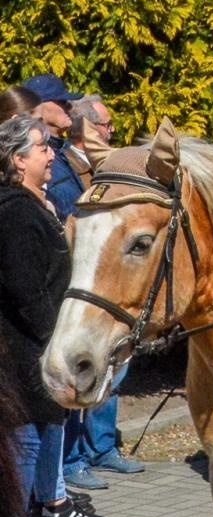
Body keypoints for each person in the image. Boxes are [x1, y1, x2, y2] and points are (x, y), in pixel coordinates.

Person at [1, 116, 104, 517]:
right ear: (17, 159)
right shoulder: (15, 212)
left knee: (41, 433)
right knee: (24, 437)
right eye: (42, 147)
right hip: (26, 346)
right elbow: (25, 291)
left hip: (42, 341)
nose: (51, 154)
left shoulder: (34, 202)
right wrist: (54, 339)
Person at [57, 95, 144, 491]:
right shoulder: (63, 171)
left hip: (107, 286)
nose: (111, 131)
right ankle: (74, 459)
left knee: (114, 370)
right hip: (79, 287)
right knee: (80, 373)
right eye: (105, 125)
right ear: (87, 130)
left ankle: (103, 447)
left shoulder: (103, 169)